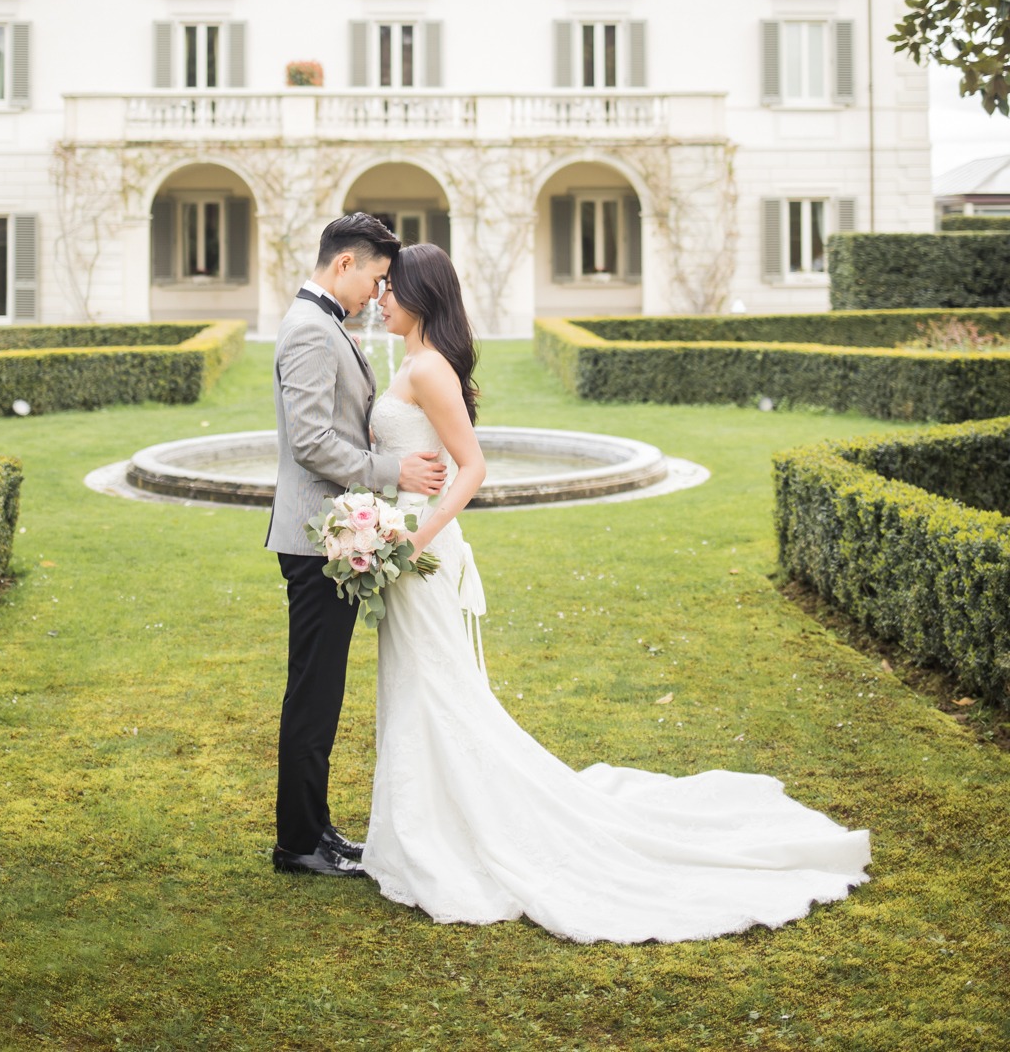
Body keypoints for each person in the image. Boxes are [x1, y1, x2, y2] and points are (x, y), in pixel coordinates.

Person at [361, 242, 872, 942]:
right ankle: (417, 830)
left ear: (422, 295)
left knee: (438, 688)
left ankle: (450, 835)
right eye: (378, 286)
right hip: (404, 540)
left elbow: (473, 467)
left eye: (390, 288)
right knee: (417, 685)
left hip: (422, 550)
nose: (379, 298)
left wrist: (412, 541)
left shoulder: (428, 368)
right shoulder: (410, 362)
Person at [267, 213, 448, 878]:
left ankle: (315, 827)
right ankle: (297, 842)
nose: (378, 293)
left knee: (323, 689)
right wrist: (390, 473)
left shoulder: (322, 325)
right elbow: (311, 442)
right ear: (345, 264)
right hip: (317, 538)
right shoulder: (312, 331)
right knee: (313, 693)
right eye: (375, 276)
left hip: (331, 533)